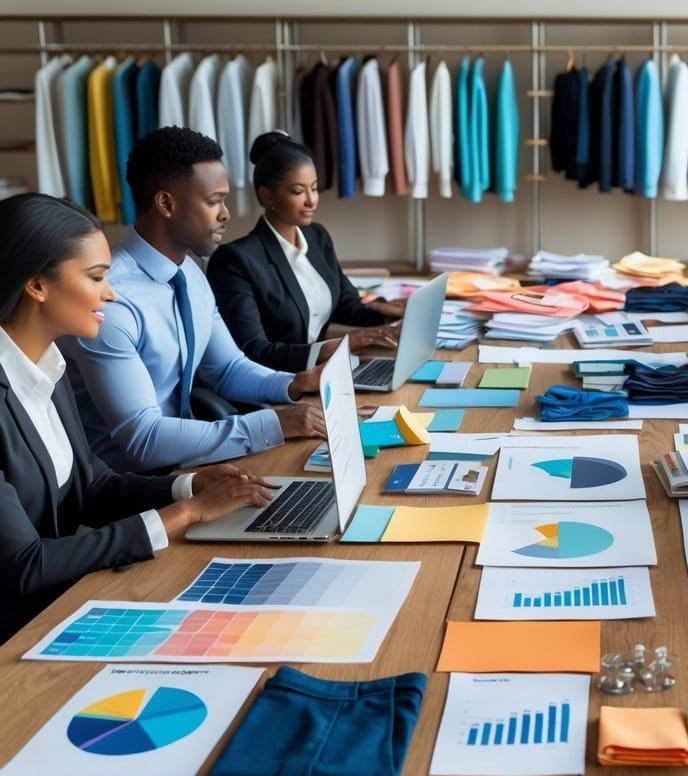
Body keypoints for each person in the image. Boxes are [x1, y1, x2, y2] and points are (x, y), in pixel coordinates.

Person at [0, 193, 276, 643]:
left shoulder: (48, 364)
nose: (110, 292)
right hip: (19, 633)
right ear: (37, 285)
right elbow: (26, 565)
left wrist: (192, 485)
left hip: (61, 607)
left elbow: (93, 486)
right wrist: (185, 514)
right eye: (96, 277)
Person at [61, 126, 327, 474]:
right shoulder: (112, 302)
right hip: (130, 490)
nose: (226, 214)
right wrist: (275, 425)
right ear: (166, 204)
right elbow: (144, 439)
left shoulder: (190, 272)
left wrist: (294, 383)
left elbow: (228, 368)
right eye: (214, 201)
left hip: (187, 464)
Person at [206, 131, 402, 372]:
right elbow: (252, 350)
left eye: (314, 188)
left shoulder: (317, 237)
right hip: (280, 386)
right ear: (267, 195)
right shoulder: (236, 260)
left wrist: (385, 313)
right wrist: (338, 346)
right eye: (298, 191)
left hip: (324, 373)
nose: (312, 201)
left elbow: (344, 302)